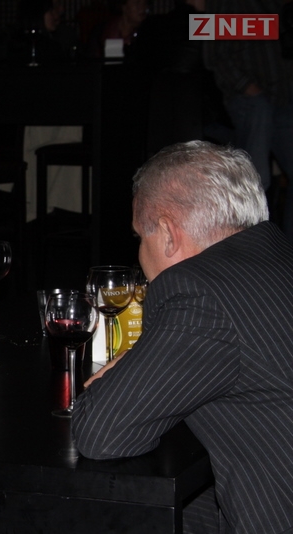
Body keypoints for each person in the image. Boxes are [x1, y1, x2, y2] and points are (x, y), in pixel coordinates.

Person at [72, 140, 293, 534]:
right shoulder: (277, 255)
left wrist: (130, 366)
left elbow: (102, 435)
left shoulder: (199, 293)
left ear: (168, 234)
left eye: (140, 237)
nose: (140, 253)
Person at [203, 0, 293, 243]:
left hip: (283, 97)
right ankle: (249, 253)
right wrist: (248, 88)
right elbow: (213, 56)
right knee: (255, 182)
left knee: (257, 181)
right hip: (252, 102)